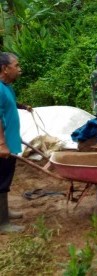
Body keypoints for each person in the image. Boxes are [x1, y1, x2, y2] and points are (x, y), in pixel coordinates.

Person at [0, 52, 27, 233]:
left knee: (6, 179)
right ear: (4, 68)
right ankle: (2, 224)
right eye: (16, 66)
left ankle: (5, 213)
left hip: (9, 140)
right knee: (1, 181)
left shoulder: (6, 86)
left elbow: (9, 107)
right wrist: (1, 143)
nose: (19, 69)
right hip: (3, 145)